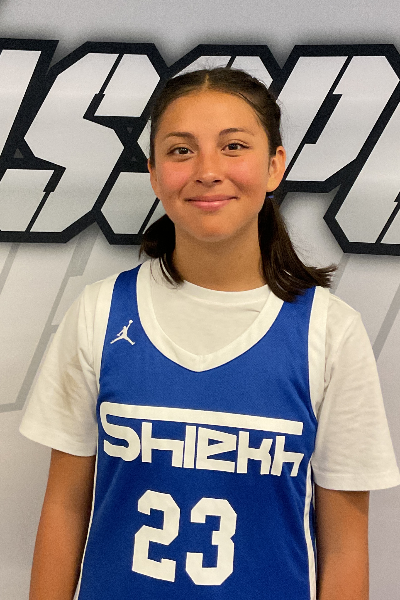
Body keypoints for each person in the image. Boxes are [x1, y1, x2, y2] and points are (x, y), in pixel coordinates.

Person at [20, 67, 400, 600]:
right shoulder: (100, 313)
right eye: (181, 151)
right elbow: (63, 509)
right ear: (155, 174)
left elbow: (345, 547)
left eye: (233, 146)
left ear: (274, 165)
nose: (207, 171)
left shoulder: (330, 332)